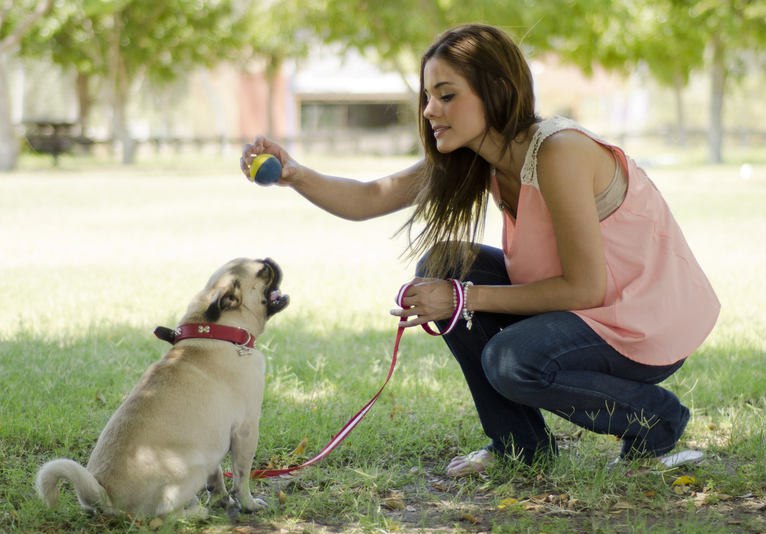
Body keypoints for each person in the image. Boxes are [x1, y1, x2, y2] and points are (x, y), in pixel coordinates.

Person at [240, 24, 720, 477]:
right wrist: (295, 174)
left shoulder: (560, 151)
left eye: (447, 95)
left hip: (638, 321)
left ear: (498, 91)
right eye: (428, 96)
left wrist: (463, 299)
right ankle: (521, 447)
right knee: (444, 262)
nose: (430, 110)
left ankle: (657, 420)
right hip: (587, 308)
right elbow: (370, 197)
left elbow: (585, 286)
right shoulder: (476, 157)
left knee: (512, 359)